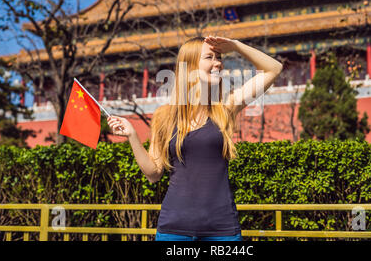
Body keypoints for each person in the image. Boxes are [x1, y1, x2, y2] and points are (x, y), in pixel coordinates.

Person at [107, 36, 283, 241]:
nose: (218, 63)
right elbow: (153, 174)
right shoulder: (165, 116)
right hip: (174, 229)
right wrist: (132, 136)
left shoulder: (225, 107)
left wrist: (235, 45)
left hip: (222, 229)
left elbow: (274, 69)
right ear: (189, 66)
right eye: (209, 57)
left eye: (219, 57)